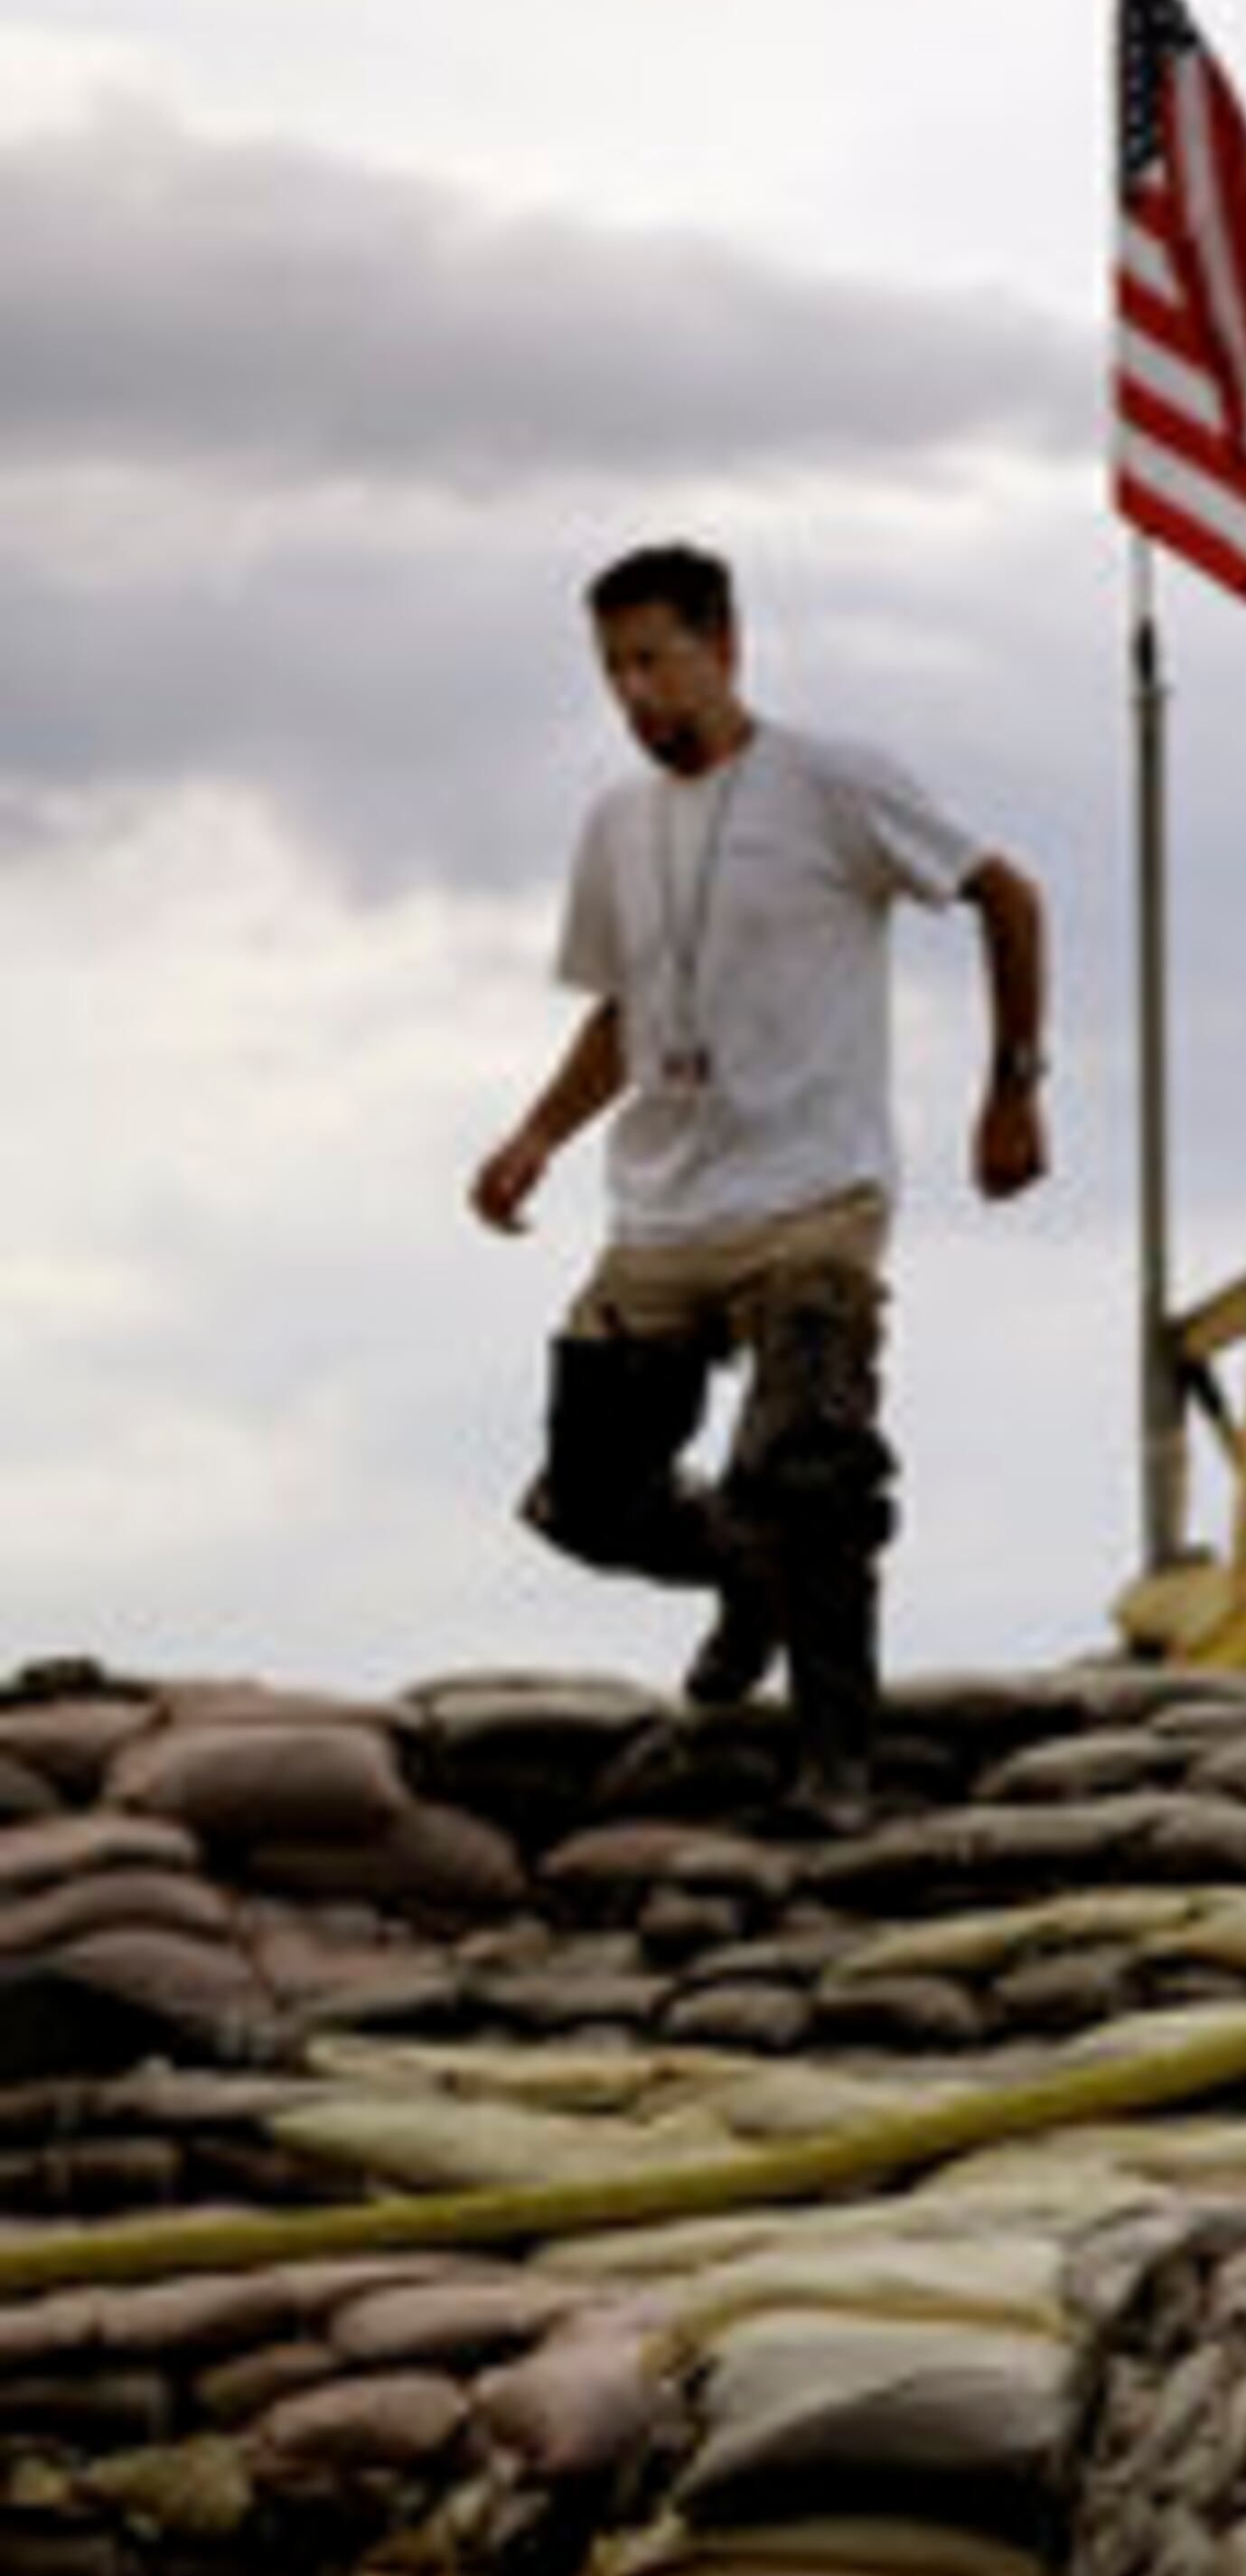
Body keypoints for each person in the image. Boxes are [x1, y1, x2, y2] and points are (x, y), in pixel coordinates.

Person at [469, 541, 1048, 1826]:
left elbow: (1009, 898)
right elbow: (627, 1013)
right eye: (614, 669)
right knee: (585, 1502)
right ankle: (747, 1583)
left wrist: (1012, 1089)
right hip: (664, 1210)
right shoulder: (616, 824)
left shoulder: (832, 784)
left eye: (656, 660)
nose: (636, 693)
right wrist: (535, 1139)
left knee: (811, 1472)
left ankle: (840, 1768)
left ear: (724, 647)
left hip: (813, 1194)